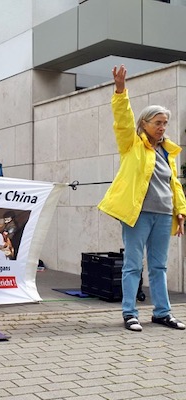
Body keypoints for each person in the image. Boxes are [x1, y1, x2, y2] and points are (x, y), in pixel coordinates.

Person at [98, 64, 186, 332]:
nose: (162, 127)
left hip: (163, 215)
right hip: (137, 214)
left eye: (165, 123)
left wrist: (180, 211)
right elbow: (122, 119)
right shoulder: (132, 144)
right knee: (133, 265)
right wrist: (121, 90)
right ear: (145, 124)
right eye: (158, 123)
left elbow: (174, 185)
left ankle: (162, 313)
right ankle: (130, 313)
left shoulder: (168, 153)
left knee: (159, 266)